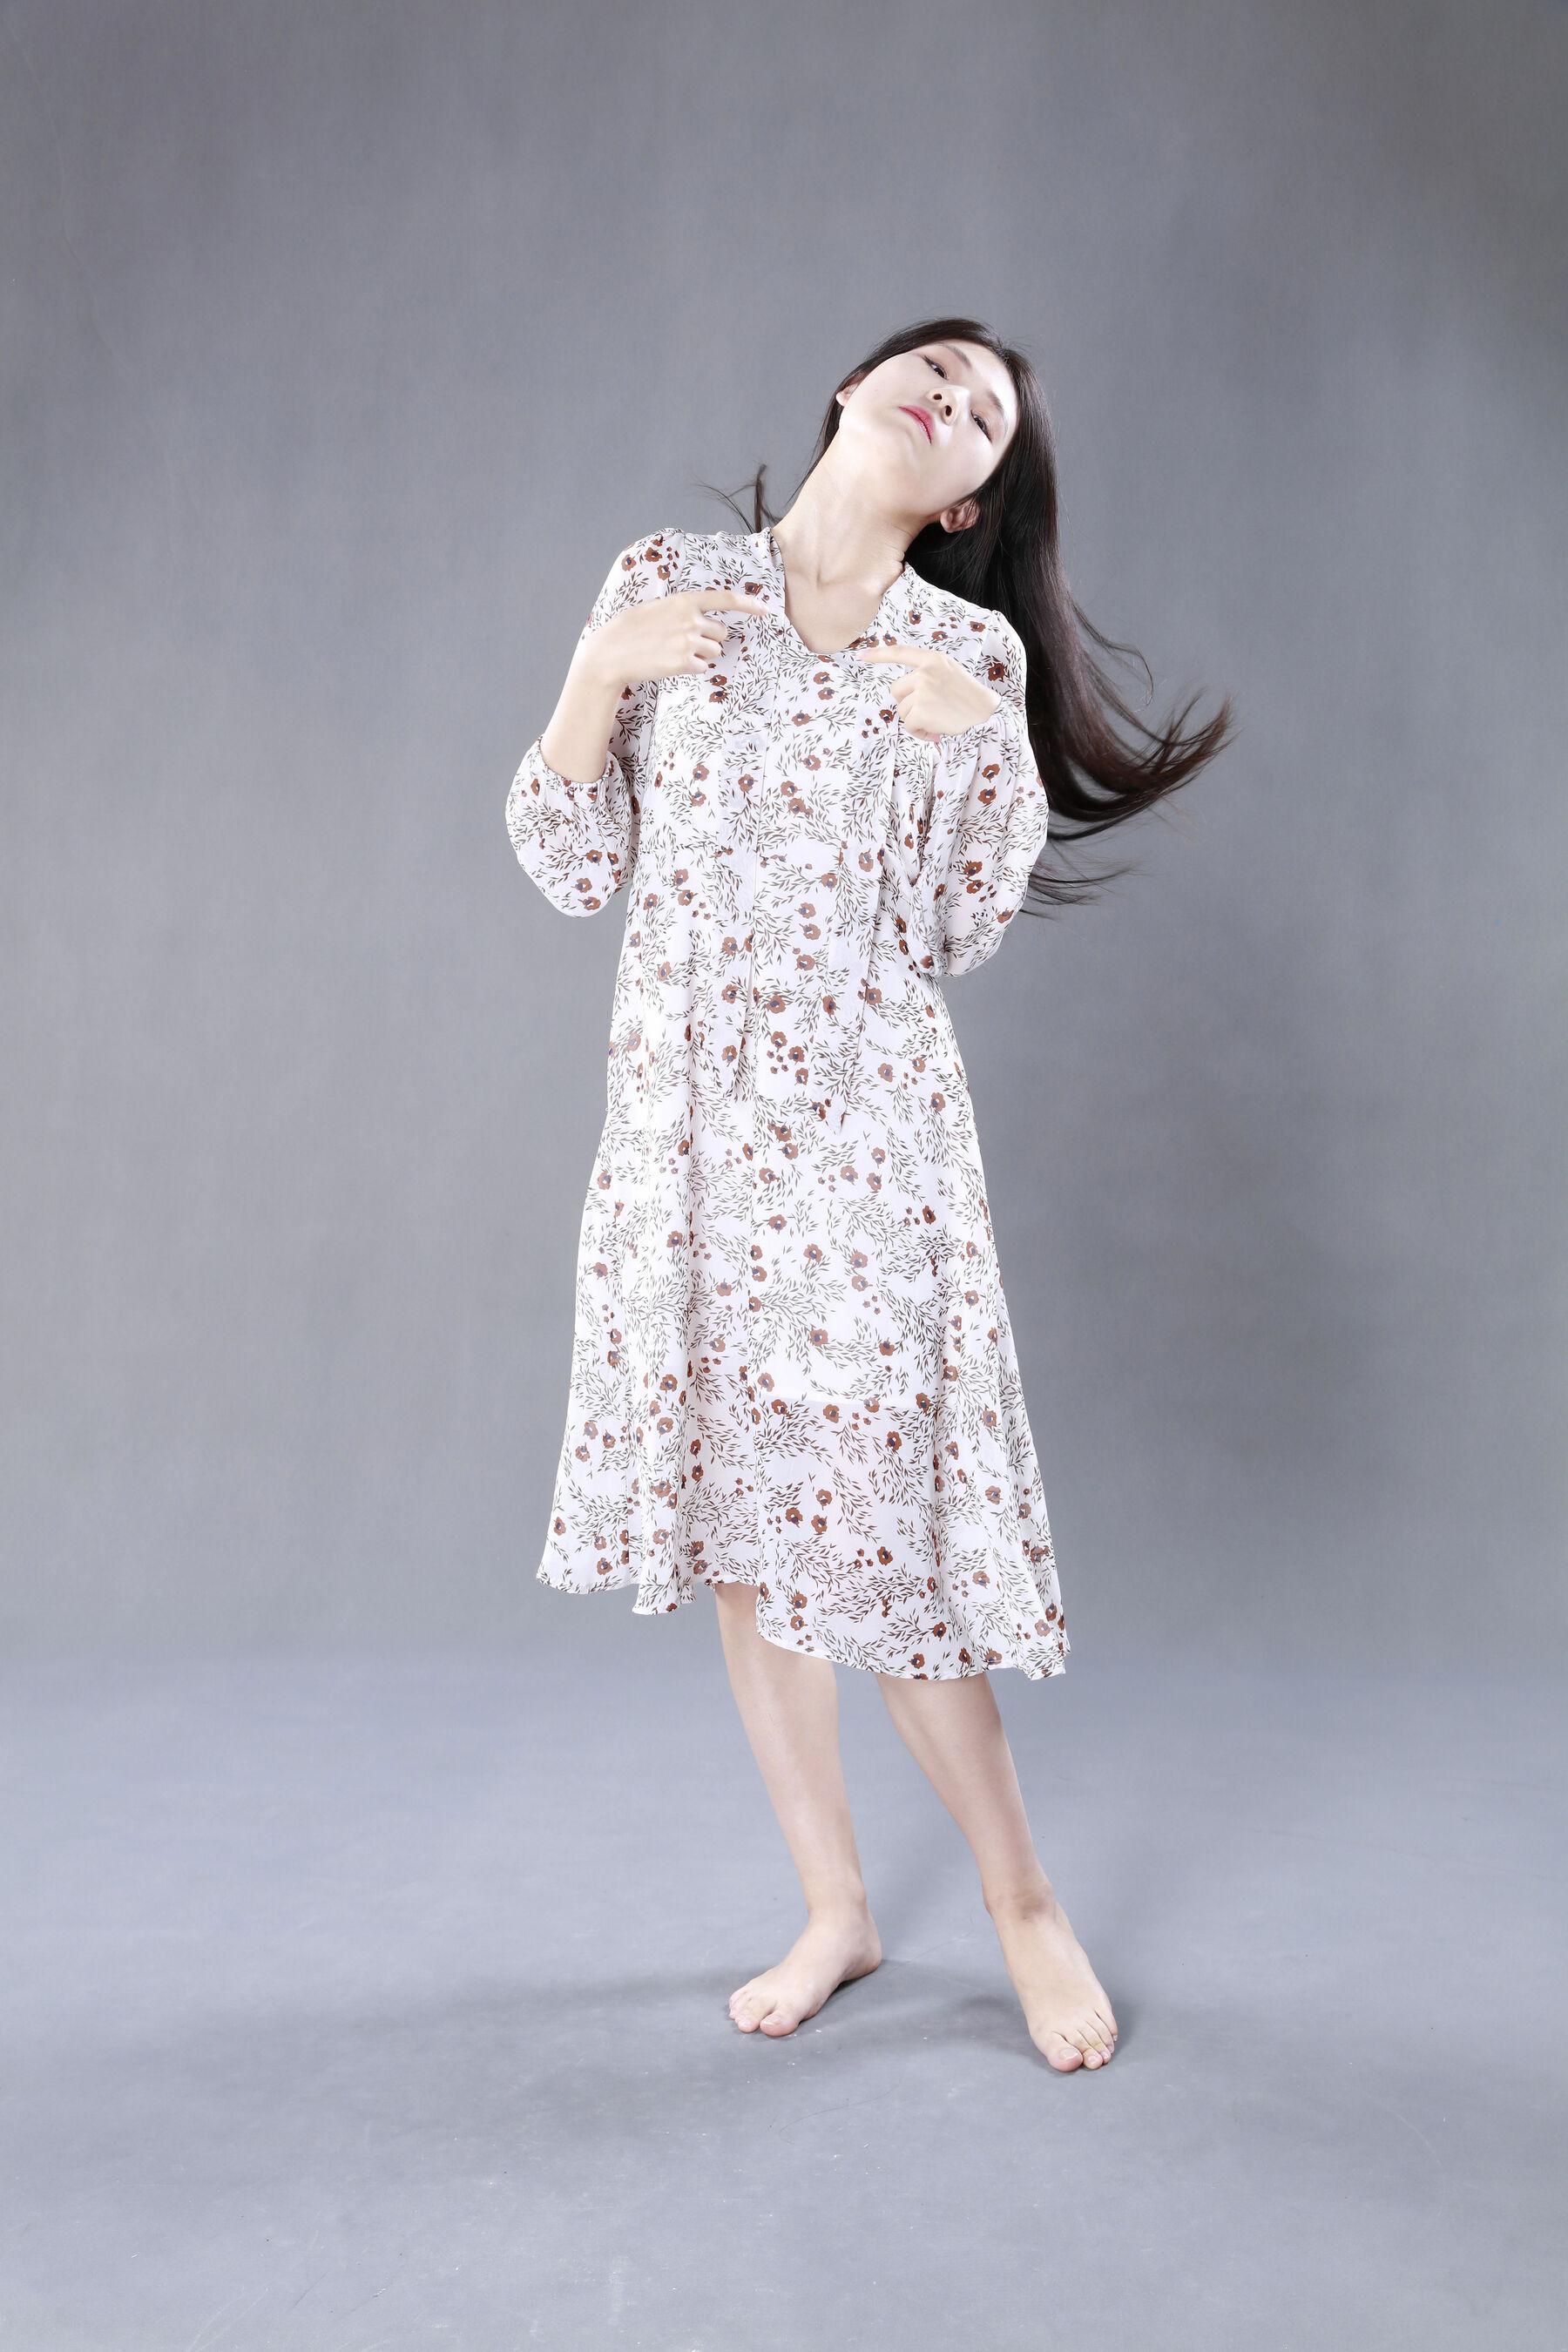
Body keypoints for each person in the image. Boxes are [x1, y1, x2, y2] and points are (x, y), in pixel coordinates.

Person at [504, 316, 1233, 2071]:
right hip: (689, 1150)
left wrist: (987, 748)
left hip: (868, 1150)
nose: (953, 398)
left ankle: (1024, 1904)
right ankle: (835, 1907)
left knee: (882, 1541)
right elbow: (574, 866)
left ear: (971, 497)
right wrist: (594, 676)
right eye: (941, 368)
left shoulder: (963, 650)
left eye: (984, 414)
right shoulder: (666, 583)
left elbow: (956, 931)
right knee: (746, 1538)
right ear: (855, 386)